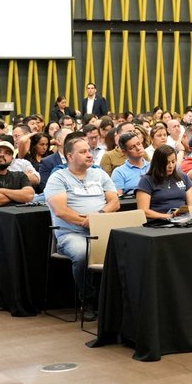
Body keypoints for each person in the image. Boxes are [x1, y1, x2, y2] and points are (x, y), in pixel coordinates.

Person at [45, 135, 120, 320]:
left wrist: (98, 217)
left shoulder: (99, 174)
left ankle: (117, 300)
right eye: (83, 152)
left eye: (89, 151)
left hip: (102, 231)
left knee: (130, 247)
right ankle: (88, 300)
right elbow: (61, 211)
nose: (89, 155)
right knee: (81, 254)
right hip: (72, 233)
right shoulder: (58, 178)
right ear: (70, 156)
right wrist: (85, 221)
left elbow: (114, 202)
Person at [136, 145, 192, 222]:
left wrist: (182, 213)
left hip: (184, 220)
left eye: (173, 162)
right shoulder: (146, 180)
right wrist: (170, 216)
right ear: (158, 163)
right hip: (159, 222)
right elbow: (143, 211)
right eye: (166, 163)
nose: (171, 166)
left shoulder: (183, 177)